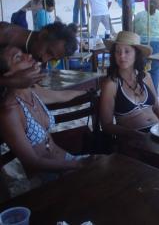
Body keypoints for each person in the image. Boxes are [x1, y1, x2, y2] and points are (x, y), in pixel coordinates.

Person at [0, 45, 94, 185]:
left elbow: (60, 95)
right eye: (18, 58)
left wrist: (87, 92)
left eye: (23, 53)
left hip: (65, 160)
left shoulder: (32, 90)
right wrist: (79, 165)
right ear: (7, 76)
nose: (29, 56)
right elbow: (33, 162)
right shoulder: (9, 111)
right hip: (47, 179)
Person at [99, 31, 159, 144]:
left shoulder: (146, 77)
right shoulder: (111, 84)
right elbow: (106, 125)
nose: (122, 56)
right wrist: (134, 134)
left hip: (158, 133)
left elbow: (156, 108)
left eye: (127, 51)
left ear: (136, 54)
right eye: (118, 51)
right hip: (133, 141)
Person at [0, 21, 77, 89]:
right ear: (43, 35)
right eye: (49, 52)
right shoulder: (2, 33)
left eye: (52, 59)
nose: (44, 59)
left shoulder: (34, 54)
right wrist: (9, 82)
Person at [133, 0, 159, 91]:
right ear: (157, 6)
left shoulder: (139, 15)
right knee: (155, 70)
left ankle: (142, 92)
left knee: (141, 69)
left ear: (145, 6)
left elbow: (133, 30)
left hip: (142, 45)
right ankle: (153, 93)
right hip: (158, 45)